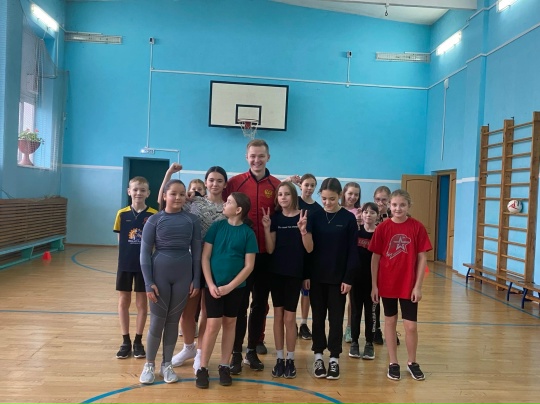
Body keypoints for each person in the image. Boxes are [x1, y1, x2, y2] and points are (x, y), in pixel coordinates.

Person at [160, 164, 228, 375]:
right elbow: (163, 199)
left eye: (219, 181)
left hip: (215, 264)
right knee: (186, 311)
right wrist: (169, 174)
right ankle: (188, 347)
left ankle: (200, 352)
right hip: (191, 262)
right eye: (211, 180)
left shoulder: (229, 207)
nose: (214, 184)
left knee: (207, 311)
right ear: (205, 182)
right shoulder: (193, 202)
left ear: (225, 184)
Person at [224, 139, 281, 374]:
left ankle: (251, 350)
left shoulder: (277, 185)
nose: (257, 160)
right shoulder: (235, 183)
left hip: (265, 256)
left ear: (268, 157)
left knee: (260, 305)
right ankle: (235, 352)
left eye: (261, 156)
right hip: (239, 256)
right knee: (240, 305)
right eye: (253, 156)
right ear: (246, 157)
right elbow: (221, 206)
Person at [138, 179, 202, 384]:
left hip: (183, 276)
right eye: (173, 193)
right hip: (159, 276)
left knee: (173, 321)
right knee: (157, 321)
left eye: (182, 194)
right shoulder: (154, 220)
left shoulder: (192, 220)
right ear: (164, 196)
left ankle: (167, 364)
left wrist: (196, 279)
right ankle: (149, 364)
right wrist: (148, 282)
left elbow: (197, 253)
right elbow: (144, 253)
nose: (178, 197)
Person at [195, 192, 258, 389]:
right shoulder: (216, 227)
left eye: (229, 202)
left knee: (230, 323)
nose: (225, 203)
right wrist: (211, 284)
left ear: (238, 210)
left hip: (235, 289)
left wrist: (230, 287)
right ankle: (203, 368)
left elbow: (249, 266)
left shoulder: (248, 233)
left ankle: (224, 365)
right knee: (212, 325)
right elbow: (205, 257)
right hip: (213, 287)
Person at [369, 189, 432, 381]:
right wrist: (374, 285)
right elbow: (375, 258)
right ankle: (393, 362)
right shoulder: (382, 228)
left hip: (408, 285)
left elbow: (422, 258)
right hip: (387, 283)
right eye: (394, 205)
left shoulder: (417, 227)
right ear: (389, 205)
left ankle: (412, 362)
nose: (398, 208)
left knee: (410, 326)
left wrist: (418, 286)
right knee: (390, 321)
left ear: (409, 206)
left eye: (402, 205)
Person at [304, 178, 359, 380]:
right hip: (316, 278)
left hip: (338, 279)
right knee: (317, 318)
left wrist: (348, 278)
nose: (327, 202)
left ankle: (334, 358)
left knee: (336, 319)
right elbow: (308, 250)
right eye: (324, 198)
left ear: (340, 196)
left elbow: (353, 251)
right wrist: (306, 275)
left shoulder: (348, 219)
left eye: (332, 199)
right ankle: (318, 356)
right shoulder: (314, 216)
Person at [262, 182, 313, 379]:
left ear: (293, 196)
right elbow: (270, 249)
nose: (283, 197)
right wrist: (266, 228)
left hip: (294, 274)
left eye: (286, 194)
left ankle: (290, 359)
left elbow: (309, 249)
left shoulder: (304, 217)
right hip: (276, 273)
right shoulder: (275, 218)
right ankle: (279, 358)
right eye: (280, 194)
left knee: (290, 318)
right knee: (278, 316)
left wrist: (303, 231)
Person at [113, 176, 157, 359]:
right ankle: (125, 341)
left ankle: (138, 341)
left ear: (148, 193)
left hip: (144, 266)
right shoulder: (121, 214)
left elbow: (156, 242)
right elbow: (120, 240)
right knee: (124, 301)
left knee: (141, 303)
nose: (139, 193)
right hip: (125, 264)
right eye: (135, 189)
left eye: (142, 190)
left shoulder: (154, 214)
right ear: (129, 191)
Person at [349, 202, 379, 360]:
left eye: (372, 212)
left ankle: (369, 343)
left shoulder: (379, 233)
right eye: (366, 212)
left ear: (377, 216)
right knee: (355, 312)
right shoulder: (357, 232)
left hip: (373, 281)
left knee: (371, 313)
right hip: (356, 280)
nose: (368, 215)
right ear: (362, 214)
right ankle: (354, 342)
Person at [372, 185, 395, 345]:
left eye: (384, 200)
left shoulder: (394, 217)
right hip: (374, 263)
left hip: (390, 266)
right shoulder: (369, 214)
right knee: (375, 301)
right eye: (377, 199)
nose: (380, 203)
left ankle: (391, 332)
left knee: (390, 302)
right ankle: (376, 329)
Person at [340, 182, 361, 344]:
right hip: (339, 260)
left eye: (356, 194)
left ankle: (349, 327)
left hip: (354, 259)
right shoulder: (338, 211)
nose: (353, 197)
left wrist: (361, 223)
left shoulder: (360, 213)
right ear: (344, 194)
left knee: (352, 299)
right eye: (350, 193)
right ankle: (336, 327)